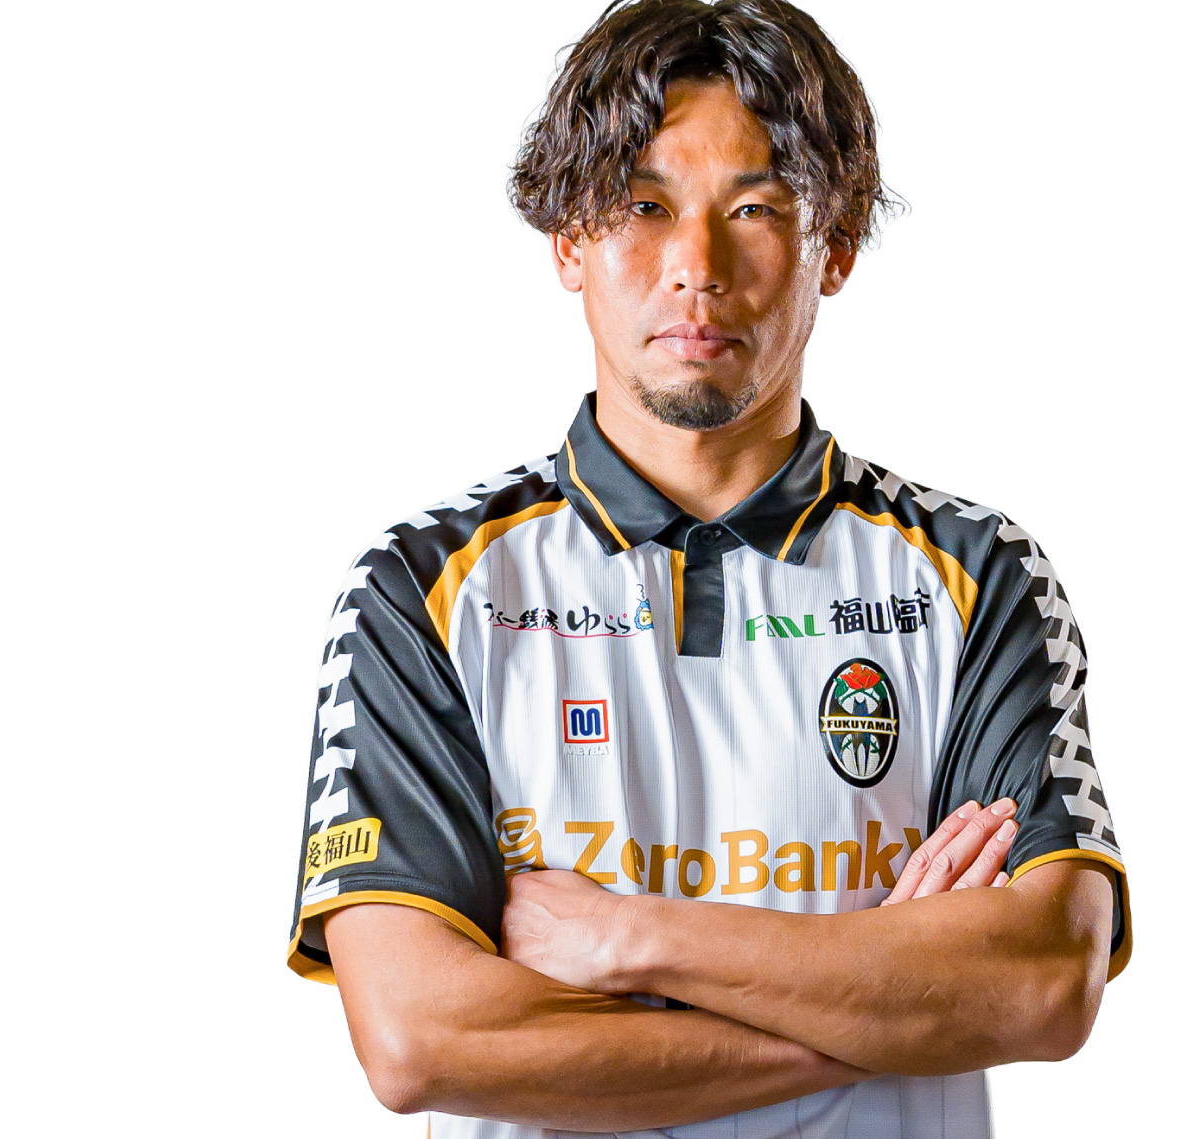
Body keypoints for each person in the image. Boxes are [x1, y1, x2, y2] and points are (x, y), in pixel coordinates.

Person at [282, 1, 1130, 1135]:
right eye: (644, 206)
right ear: (568, 242)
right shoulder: (422, 591)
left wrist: (628, 936)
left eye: (756, 209)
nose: (698, 267)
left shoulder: (978, 576)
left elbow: (1042, 984)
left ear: (836, 244)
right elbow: (420, 1039)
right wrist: (889, 998)